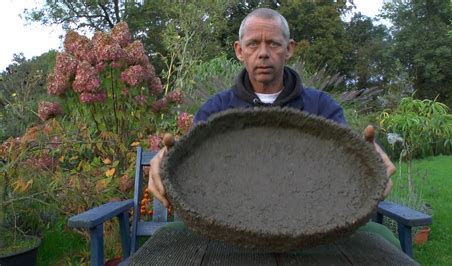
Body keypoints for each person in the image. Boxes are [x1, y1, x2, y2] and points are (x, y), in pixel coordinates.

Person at [148, 7, 397, 246]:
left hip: (310, 233)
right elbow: (196, 167)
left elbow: (347, 164)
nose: (263, 53)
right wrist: (171, 161)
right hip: (232, 232)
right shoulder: (216, 110)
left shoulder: (322, 108)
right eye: (253, 44)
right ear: (239, 50)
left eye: (274, 44)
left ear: (289, 49)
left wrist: (369, 163)